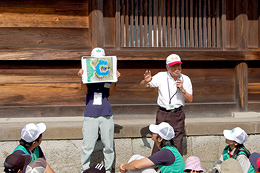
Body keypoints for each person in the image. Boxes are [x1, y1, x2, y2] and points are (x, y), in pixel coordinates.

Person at [78, 47, 120, 173]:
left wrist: (114, 79)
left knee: (108, 145)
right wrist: (83, 77)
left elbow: (111, 92)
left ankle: (108, 169)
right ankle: (84, 169)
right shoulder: (87, 72)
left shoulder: (108, 72)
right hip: (90, 113)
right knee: (87, 145)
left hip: (106, 112)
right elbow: (84, 91)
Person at [140, 54, 193, 155]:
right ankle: (157, 167)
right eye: (173, 66)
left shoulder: (186, 79)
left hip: (178, 113)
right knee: (159, 140)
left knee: (177, 142)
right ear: (167, 67)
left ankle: (175, 168)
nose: (177, 68)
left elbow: (190, 99)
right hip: (163, 113)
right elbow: (143, 85)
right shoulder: (161, 76)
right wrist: (145, 81)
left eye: (178, 65)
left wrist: (182, 90)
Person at [119, 122, 185, 173]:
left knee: (136, 160)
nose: (152, 133)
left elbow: (136, 166)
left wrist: (124, 166)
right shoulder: (172, 149)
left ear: (160, 139)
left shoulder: (165, 152)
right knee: (137, 158)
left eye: (155, 132)